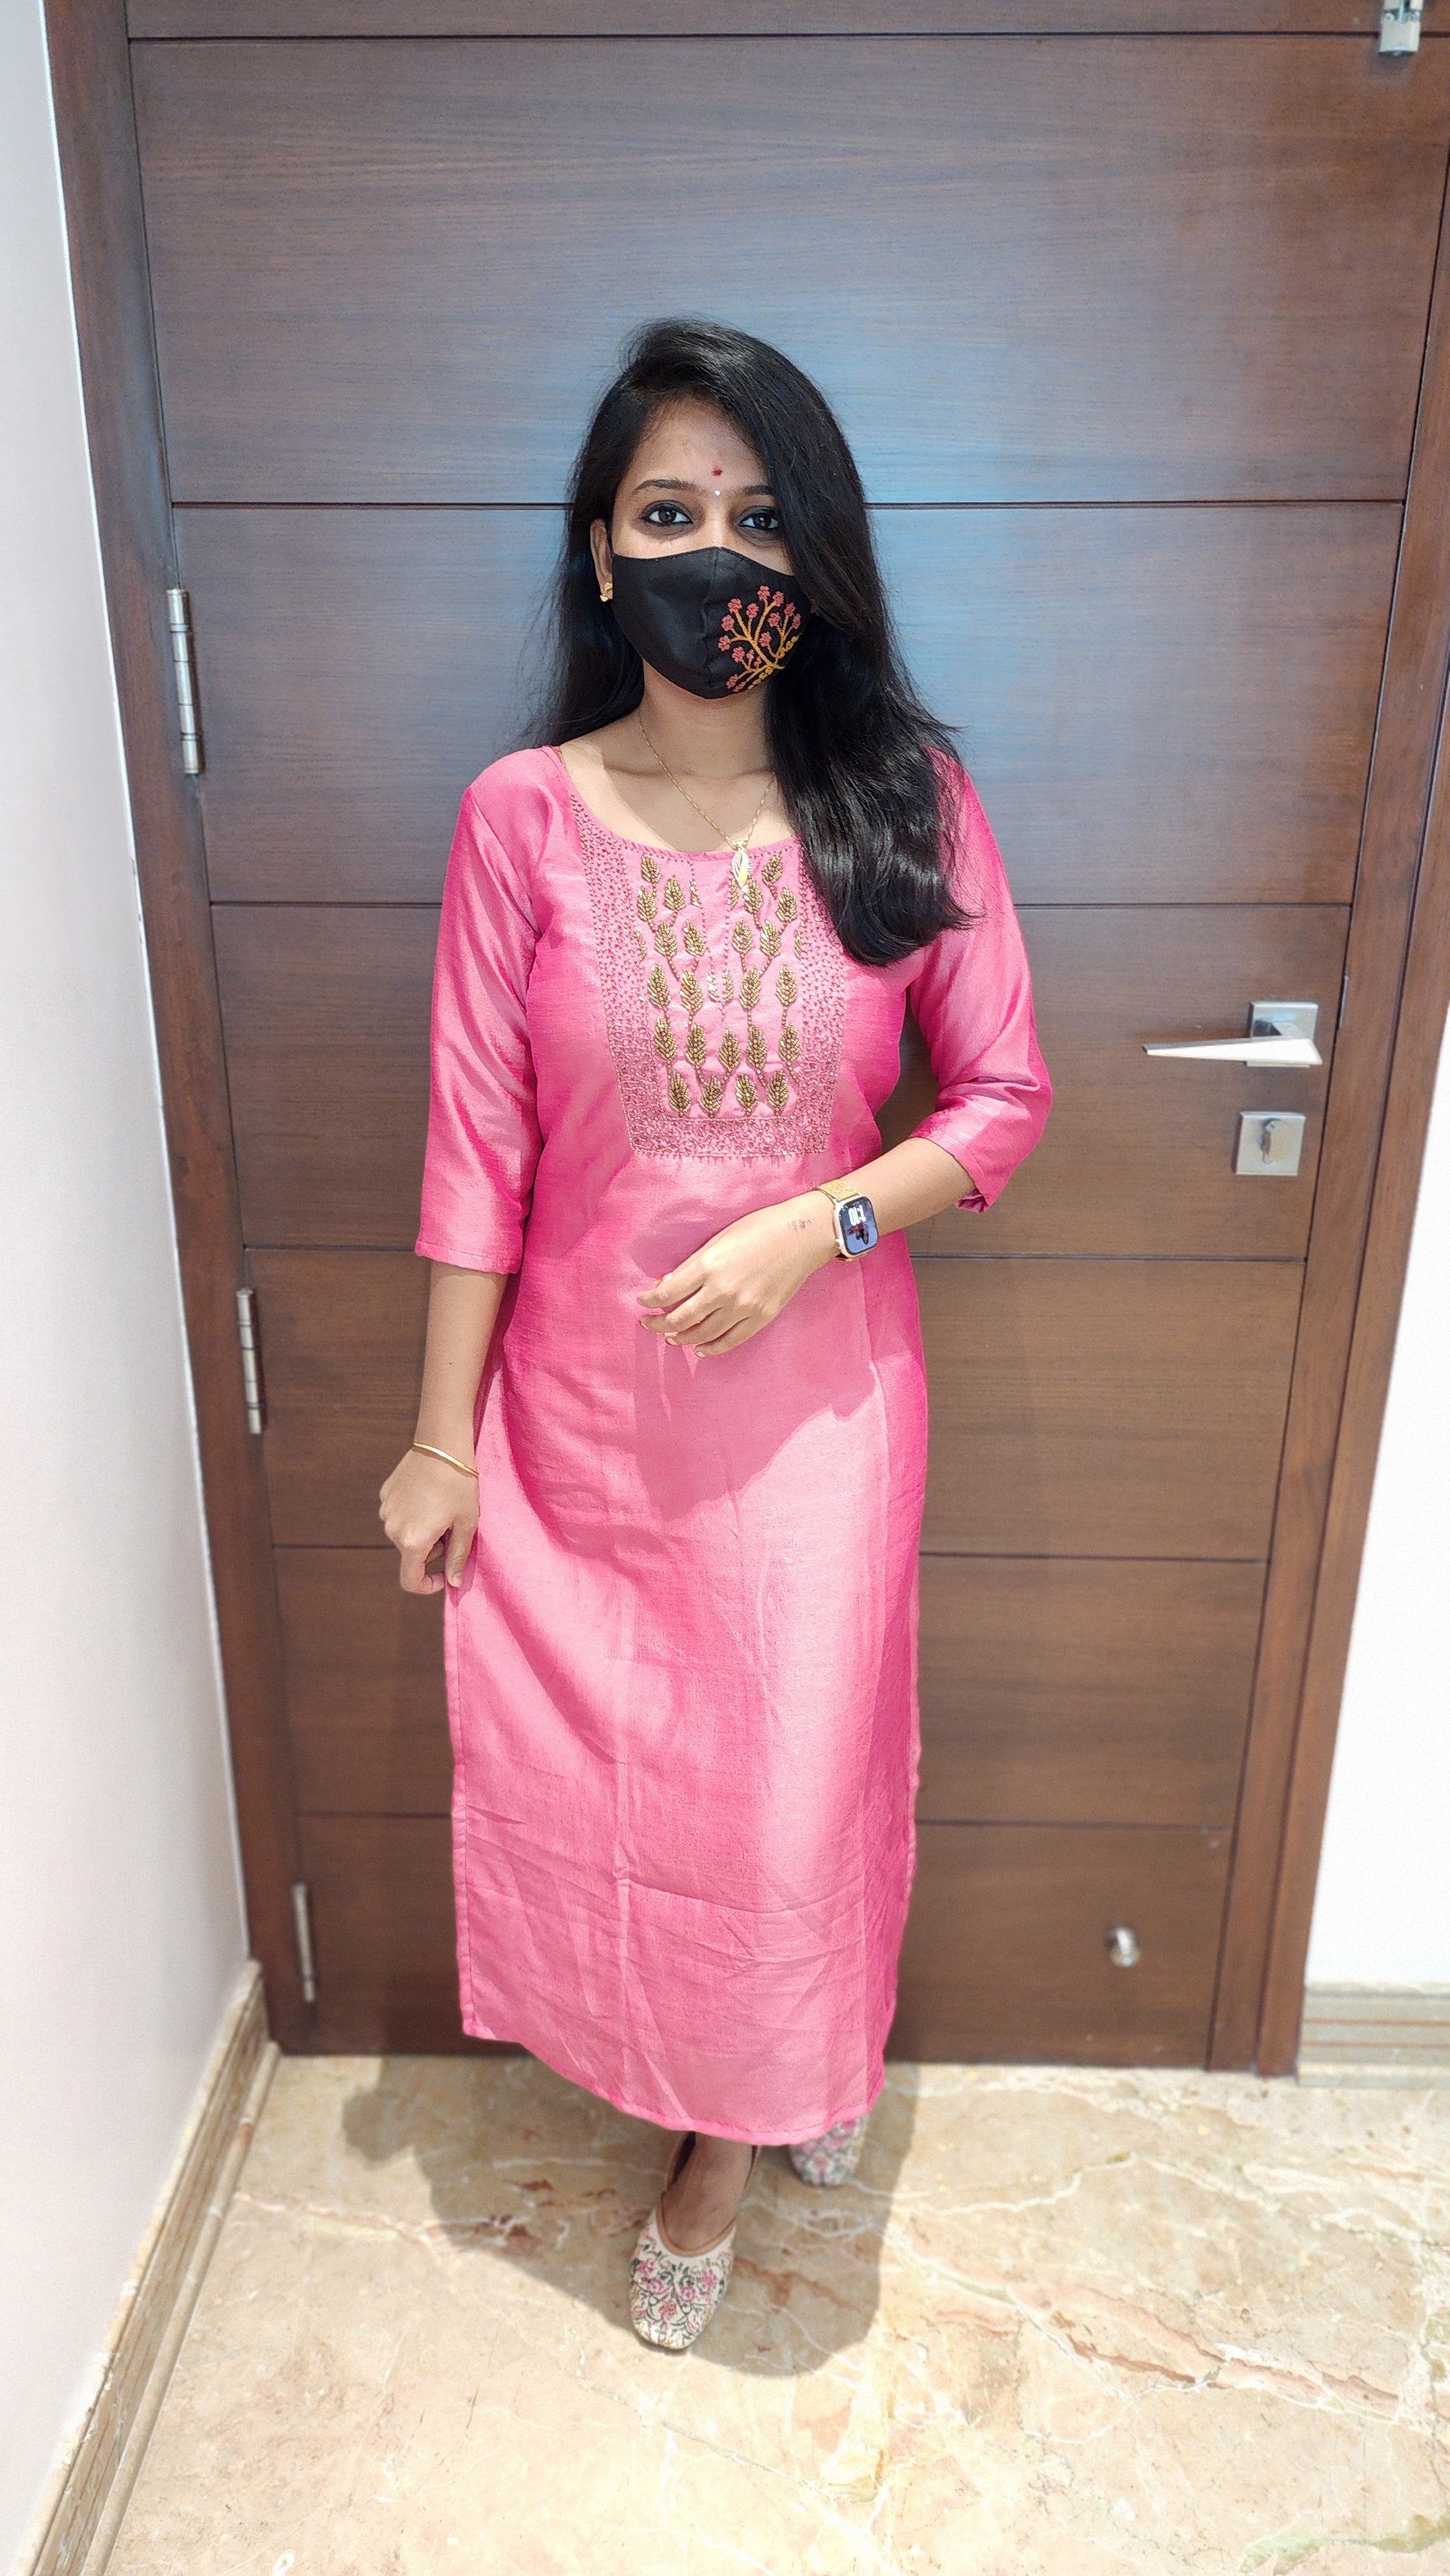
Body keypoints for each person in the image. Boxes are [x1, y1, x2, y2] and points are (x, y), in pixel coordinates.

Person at [380, 317, 1050, 2352]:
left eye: (756, 517)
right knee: (623, 1792)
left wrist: (813, 1224)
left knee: (785, 1792)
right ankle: (737, 2062)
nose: (711, 555)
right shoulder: (519, 817)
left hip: (814, 1418)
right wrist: (438, 1440)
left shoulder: (902, 802)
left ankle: (737, 2128)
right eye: (666, 513)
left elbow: (999, 1101)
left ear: (810, 556)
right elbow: (477, 1150)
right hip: (580, 1427)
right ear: (600, 553)